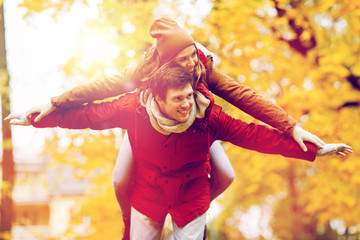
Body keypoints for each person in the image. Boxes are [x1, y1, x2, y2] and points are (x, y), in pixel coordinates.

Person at [23, 18, 327, 239]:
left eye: (193, 54)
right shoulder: (145, 73)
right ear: (166, 65)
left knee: (227, 173)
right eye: (184, 59)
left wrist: (292, 127)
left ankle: (191, 202)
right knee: (119, 178)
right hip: (148, 128)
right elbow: (102, 88)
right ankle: (130, 220)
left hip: (198, 126)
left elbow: (243, 96)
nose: (192, 63)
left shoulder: (202, 66)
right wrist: (55, 103)